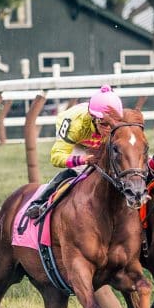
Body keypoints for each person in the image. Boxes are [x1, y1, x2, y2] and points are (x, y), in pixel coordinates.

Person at [24, 85, 122, 220]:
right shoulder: (75, 125)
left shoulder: (118, 122)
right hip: (78, 140)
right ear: (94, 118)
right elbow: (56, 157)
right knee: (78, 172)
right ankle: (39, 202)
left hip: (95, 139)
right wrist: (83, 160)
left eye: (112, 124)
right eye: (104, 124)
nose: (108, 129)